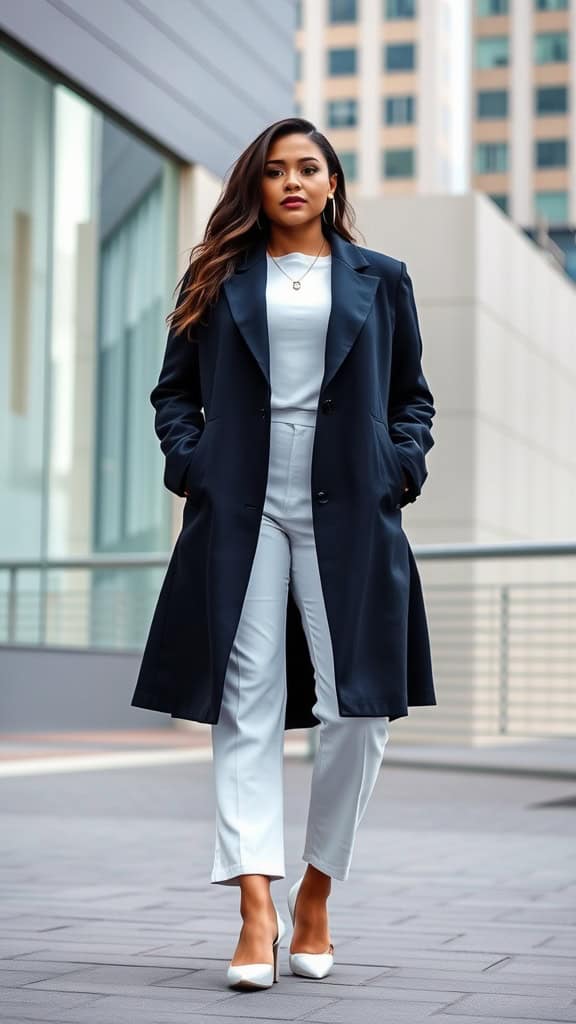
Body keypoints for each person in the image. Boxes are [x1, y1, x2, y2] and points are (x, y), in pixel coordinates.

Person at [130, 116, 436, 991]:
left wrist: (398, 468)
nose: (292, 182)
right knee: (246, 696)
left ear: (333, 183)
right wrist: (195, 467)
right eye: (274, 171)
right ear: (254, 187)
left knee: (361, 710)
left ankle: (317, 891)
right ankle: (254, 904)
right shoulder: (219, 277)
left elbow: (414, 396)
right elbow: (173, 393)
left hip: (351, 503)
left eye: (309, 168)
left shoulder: (382, 280)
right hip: (241, 504)